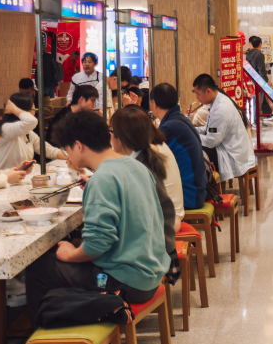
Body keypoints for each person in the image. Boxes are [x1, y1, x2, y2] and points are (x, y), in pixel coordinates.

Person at [27, 110, 169, 326]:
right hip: (152, 272)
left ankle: (47, 336)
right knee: (73, 244)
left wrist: (71, 255)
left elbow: (97, 244)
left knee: (40, 268)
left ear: (78, 145)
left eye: (67, 149)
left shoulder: (102, 178)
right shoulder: (137, 166)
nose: (68, 155)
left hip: (126, 282)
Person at [110, 106, 178, 271]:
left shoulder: (138, 169)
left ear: (121, 137)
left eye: (111, 131)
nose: (109, 136)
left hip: (149, 255)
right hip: (159, 242)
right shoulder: (145, 157)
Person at [150, 83, 207, 211]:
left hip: (189, 196)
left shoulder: (169, 127)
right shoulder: (180, 120)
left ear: (154, 104)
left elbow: (152, 157)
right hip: (197, 191)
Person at [192, 74, 256, 181]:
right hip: (231, 150)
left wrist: (192, 136)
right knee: (196, 148)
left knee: (194, 149)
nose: (197, 98)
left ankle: (203, 188)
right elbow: (209, 129)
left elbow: (211, 142)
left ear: (208, 91)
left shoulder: (221, 109)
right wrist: (193, 130)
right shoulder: (217, 101)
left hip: (233, 156)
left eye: (198, 94)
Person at [0, 93, 66, 171]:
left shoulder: (28, 132)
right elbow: (32, 121)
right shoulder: (6, 128)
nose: (35, 113)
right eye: (33, 110)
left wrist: (69, 156)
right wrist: (14, 109)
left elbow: (47, 149)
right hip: (1, 175)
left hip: (19, 175)